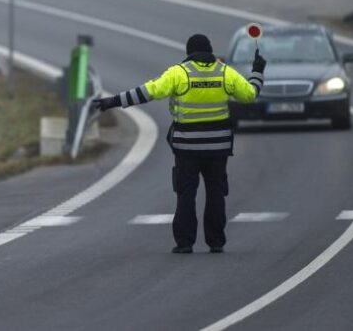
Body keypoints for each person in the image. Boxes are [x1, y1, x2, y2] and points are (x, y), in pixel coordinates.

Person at [94, 34, 266, 254]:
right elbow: (250, 94)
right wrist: (258, 71)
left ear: (189, 53)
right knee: (216, 193)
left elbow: (148, 92)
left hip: (187, 148)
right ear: (210, 50)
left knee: (186, 194)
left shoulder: (179, 73)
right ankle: (216, 241)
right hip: (218, 148)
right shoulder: (225, 72)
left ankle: (185, 243)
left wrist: (114, 101)